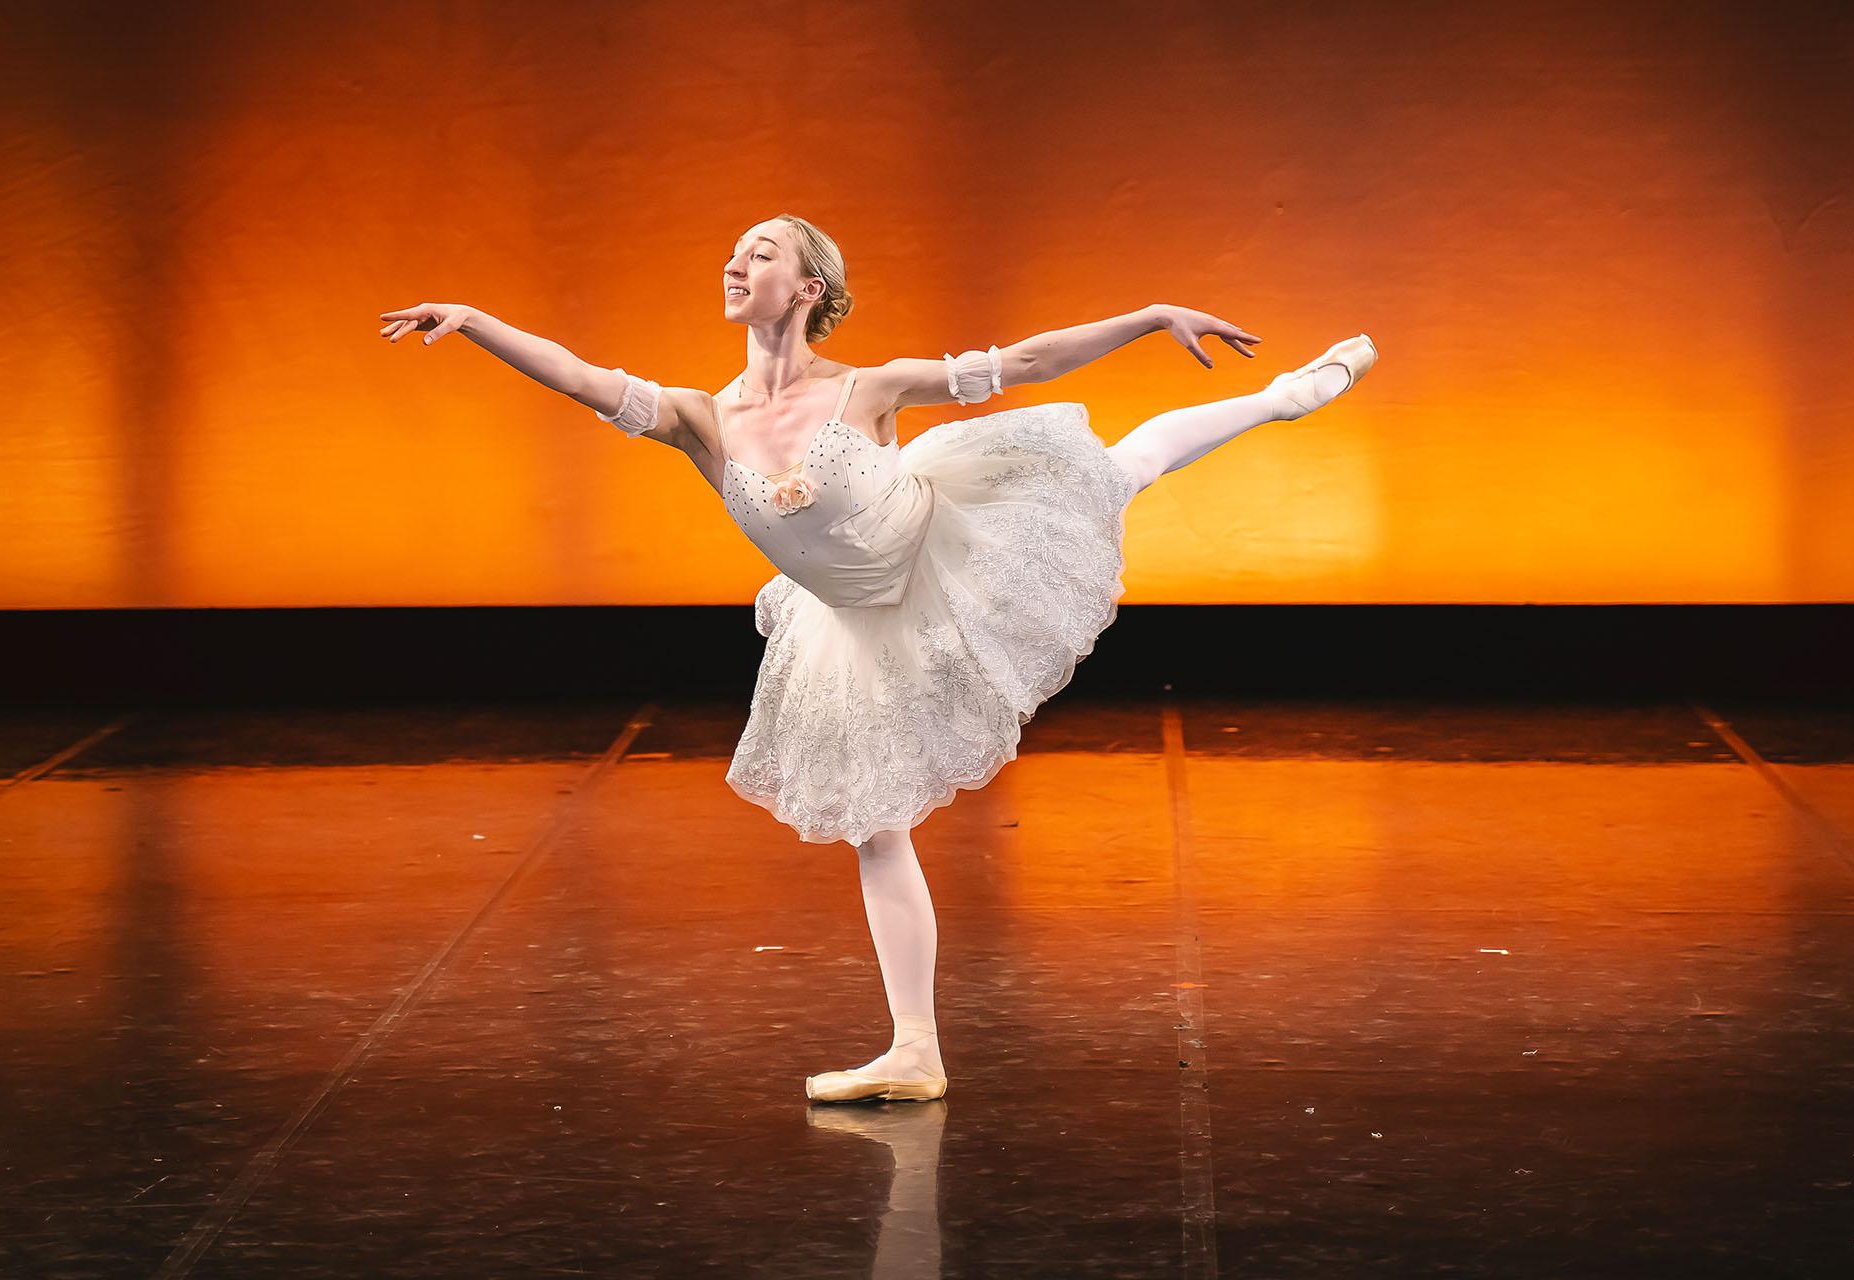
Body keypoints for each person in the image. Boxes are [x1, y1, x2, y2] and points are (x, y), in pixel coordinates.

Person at [378, 213, 1376, 1104]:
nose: (736, 263)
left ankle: (1289, 395)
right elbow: (581, 376)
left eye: (759, 252)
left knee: (1120, 468)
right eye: (732, 251)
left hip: (949, 550)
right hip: (854, 623)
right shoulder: (699, 417)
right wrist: (475, 319)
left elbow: (1024, 363)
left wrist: (1152, 314)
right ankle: (914, 1049)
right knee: (876, 823)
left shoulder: (870, 385)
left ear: (807, 288)